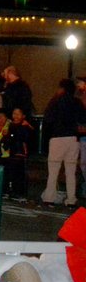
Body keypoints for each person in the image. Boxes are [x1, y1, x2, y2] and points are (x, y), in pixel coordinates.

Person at [41, 78, 86, 206]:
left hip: (57, 138)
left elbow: (48, 118)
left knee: (53, 169)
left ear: (62, 88)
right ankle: (71, 199)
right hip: (73, 139)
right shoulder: (76, 102)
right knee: (71, 171)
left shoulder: (56, 101)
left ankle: (49, 197)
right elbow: (83, 118)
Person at [0, 107, 33, 201]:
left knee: (20, 174)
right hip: (12, 152)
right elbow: (10, 138)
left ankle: (20, 193)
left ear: (23, 116)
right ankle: (10, 191)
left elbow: (25, 138)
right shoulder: (11, 125)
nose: (16, 116)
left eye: (18, 114)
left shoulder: (25, 126)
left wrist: (11, 135)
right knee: (11, 173)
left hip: (21, 152)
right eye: (14, 113)